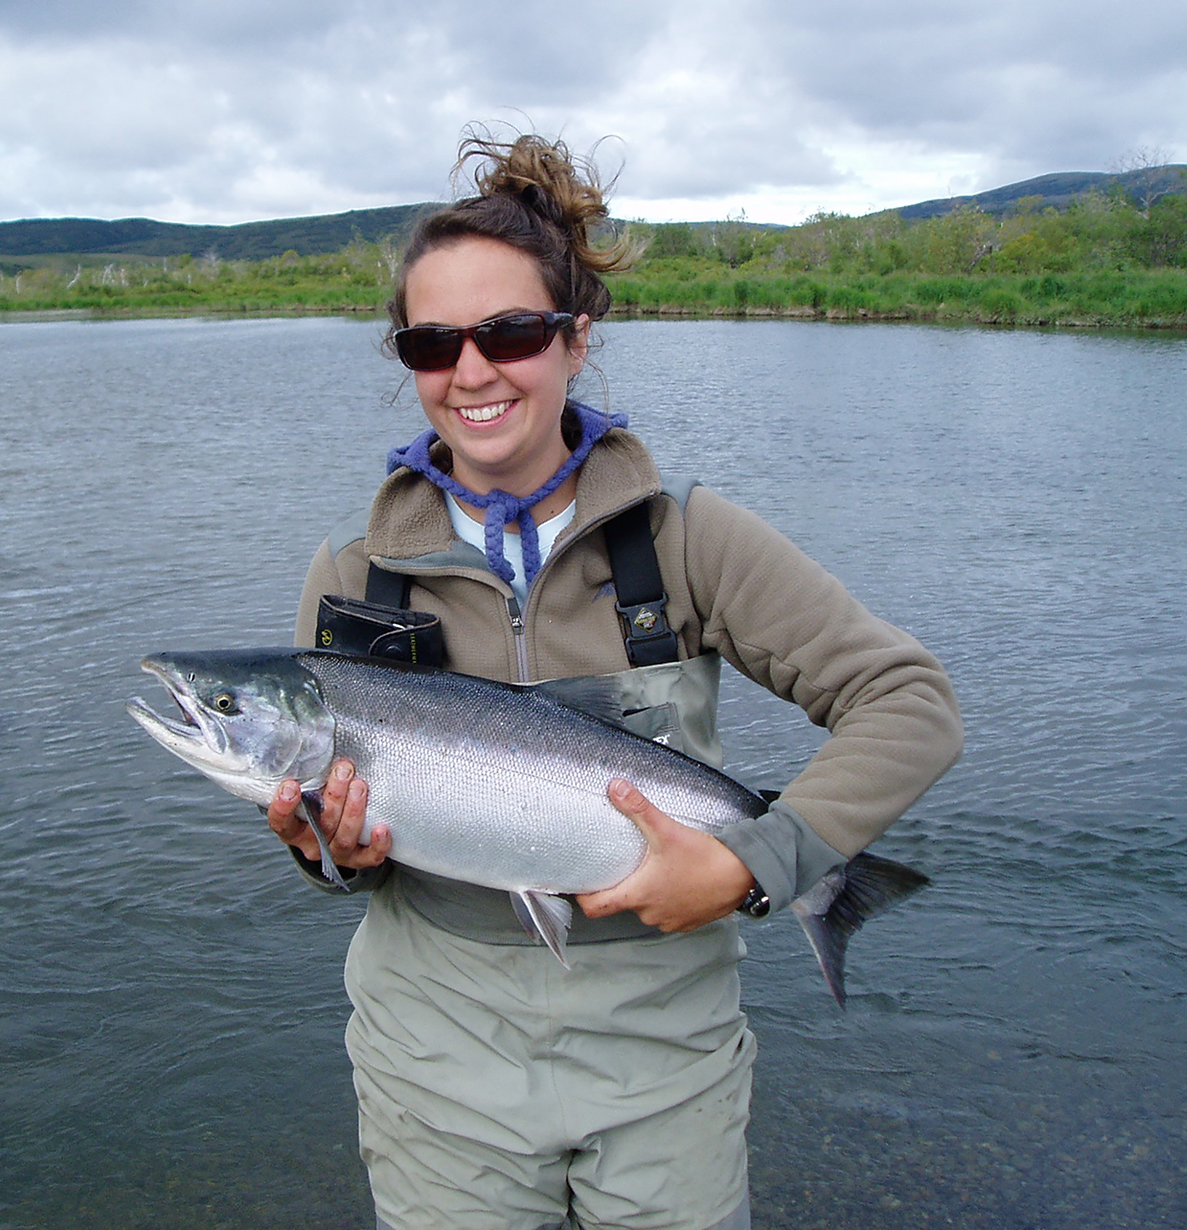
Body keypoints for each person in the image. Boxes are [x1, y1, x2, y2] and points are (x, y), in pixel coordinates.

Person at [265, 132, 963, 1230]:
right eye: (432, 343)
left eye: (510, 332)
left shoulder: (689, 543)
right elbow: (348, 848)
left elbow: (908, 703)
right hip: (432, 1069)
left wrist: (755, 868)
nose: (473, 371)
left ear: (576, 339)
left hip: (664, 1062)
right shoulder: (354, 579)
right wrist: (328, 854)